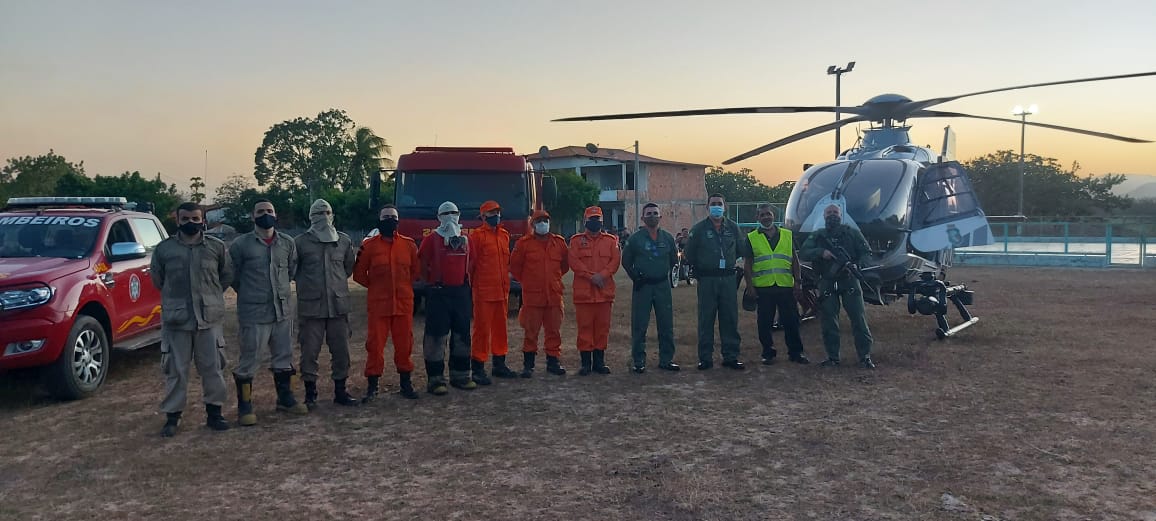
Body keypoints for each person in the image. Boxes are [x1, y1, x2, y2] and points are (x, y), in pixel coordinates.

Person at [151, 202, 232, 437]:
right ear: (177, 220)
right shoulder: (164, 249)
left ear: (202, 219)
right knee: (176, 370)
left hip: (208, 318)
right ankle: (172, 417)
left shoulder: (216, 247)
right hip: (177, 320)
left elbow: (225, 275)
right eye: (185, 219)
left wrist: (210, 297)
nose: (190, 223)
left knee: (213, 368)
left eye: (195, 218)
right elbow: (158, 279)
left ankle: (215, 414)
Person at [229, 199, 306, 425]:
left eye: (270, 211)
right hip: (254, 312)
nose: (266, 215)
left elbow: (291, 270)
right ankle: (245, 407)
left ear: (276, 215)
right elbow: (232, 275)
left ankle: (286, 399)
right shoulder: (241, 245)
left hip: (281, 311)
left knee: (284, 357)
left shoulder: (287, 243)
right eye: (260, 211)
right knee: (250, 359)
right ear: (253, 217)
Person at [294, 199, 359, 409]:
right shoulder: (300, 243)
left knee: (341, 351)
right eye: (319, 212)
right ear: (311, 216)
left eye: (327, 212)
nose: (324, 216)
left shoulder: (343, 241)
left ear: (333, 215)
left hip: (338, 307)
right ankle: (310, 394)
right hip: (311, 308)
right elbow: (293, 271)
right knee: (309, 352)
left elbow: (348, 268)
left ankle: (341, 390)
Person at [354, 204, 420, 400]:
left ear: (398, 220)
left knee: (404, 345)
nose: (390, 219)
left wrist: (402, 288)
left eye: (393, 216)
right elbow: (358, 274)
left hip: (403, 304)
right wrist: (376, 288)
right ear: (379, 220)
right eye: (386, 216)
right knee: (375, 346)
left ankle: (406, 384)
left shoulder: (409, 245)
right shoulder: (369, 246)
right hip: (379, 306)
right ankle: (372, 386)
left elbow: (415, 272)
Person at [799, 204, 875, 368]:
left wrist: (857, 265)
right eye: (829, 213)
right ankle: (833, 357)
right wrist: (821, 252)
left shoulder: (852, 233)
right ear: (824, 216)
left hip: (849, 280)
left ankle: (865, 356)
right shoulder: (818, 235)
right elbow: (803, 252)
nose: (832, 215)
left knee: (858, 319)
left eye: (835, 212)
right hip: (827, 281)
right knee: (828, 321)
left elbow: (866, 253)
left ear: (841, 215)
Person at [418, 201, 476, 394]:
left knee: (462, 336)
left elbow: (472, 263)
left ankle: (461, 376)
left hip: (461, 293)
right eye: (447, 213)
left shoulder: (466, 240)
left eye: (454, 212)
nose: (451, 216)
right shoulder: (431, 239)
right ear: (439, 217)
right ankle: (435, 380)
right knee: (436, 337)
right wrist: (432, 284)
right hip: (438, 293)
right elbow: (421, 265)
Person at [742, 204, 809, 366]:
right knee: (764, 322)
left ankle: (796, 352)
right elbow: (748, 264)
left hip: (785, 286)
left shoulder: (787, 235)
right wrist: (749, 286)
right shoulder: (752, 238)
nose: (766, 217)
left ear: (774, 216)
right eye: (763, 215)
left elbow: (795, 261)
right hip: (763, 288)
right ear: (758, 218)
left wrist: (798, 282)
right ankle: (768, 353)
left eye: (769, 214)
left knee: (791, 321)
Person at [684, 193, 744, 370]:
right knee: (706, 319)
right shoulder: (699, 229)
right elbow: (689, 253)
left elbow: (740, 249)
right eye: (713, 204)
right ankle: (705, 358)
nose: (716, 206)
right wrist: (702, 268)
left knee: (730, 318)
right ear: (707, 207)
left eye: (720, 204)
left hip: (728, 279)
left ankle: (731, 356)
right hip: (707, 279)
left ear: (725, 206)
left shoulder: (733, 227)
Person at [509, 209, 569, 377]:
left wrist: (552, 280)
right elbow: (515, 267)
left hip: (554, 295)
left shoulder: (559, 243)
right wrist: (529, 282)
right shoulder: (523, 244)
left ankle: (553, 362)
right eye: (539, 221)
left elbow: (564, 266)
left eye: (545, 220)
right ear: (533, 224)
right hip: (532, 296)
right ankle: (528, 365)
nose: (543, 224)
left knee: (554, 331)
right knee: (530, 331)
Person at [621, 203, 679, 373]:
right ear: (642, 218)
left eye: (655, 213)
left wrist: (664, 273)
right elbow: (626, 261)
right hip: (643, 286)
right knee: (639, 325)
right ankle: (638, 361)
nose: (652, 216)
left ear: (660, 217)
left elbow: (674, 260)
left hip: (662, 286)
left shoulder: (667, 238)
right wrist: (636, 278)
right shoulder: (635, 239)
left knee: (666, 324)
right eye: (648, 214)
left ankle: (666, 359)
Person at [467, 200, 517, 384]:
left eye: (497, 213)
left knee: (500, 329)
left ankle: (499, 364)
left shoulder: (504, 235)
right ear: (482, 216)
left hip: (501, 290)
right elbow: (471, 265)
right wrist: (472, 287)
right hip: (483, 291)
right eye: (490, 213)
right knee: (481, 330)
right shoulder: (477, 237)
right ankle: (478, 367)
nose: (495, 216)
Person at [568, 206, 620, 375]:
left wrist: (602, 275)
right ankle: (585, 364)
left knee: (602, 328)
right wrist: (592, 277)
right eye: (591, 219)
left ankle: (599, 362)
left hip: (604, 293)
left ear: (602, 221)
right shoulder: (576, 241)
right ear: (585, 221)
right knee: (584, 328)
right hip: (584, 293)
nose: (594, 222)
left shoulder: (611, 241)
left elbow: (615, 262)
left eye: (597, 219)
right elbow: (574, 262)